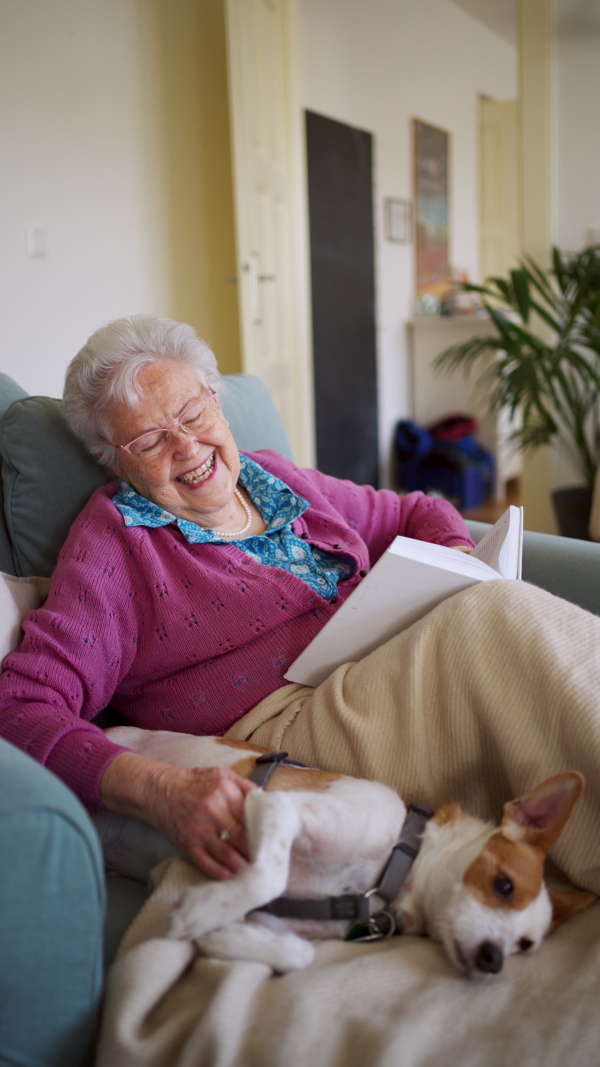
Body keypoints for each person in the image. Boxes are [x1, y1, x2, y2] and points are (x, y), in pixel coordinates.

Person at [1, 315, 600, 900]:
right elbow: (22, 706)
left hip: (391, 659)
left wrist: (456, 569)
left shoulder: (271, 476)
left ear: (216, 399)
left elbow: (415, 510)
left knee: (503, 625)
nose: (187, 447)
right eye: (150, 440)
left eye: (191, 413)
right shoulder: (116, 546)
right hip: (286, 723)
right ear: (114, 459)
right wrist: (157, 787)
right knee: (502, 619)